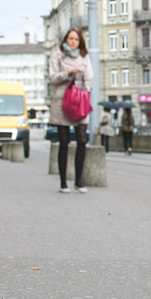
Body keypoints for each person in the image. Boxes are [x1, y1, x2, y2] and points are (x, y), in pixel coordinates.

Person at [48, 28, 93, 193]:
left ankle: (79, 181)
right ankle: (63, 182)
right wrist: (68, 72)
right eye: (70, 38)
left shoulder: (84, 56)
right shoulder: (57, 55)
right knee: (64, 142)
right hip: (62, 102)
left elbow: (90, 77)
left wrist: (85, 91)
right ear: (65, 40)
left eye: (76, 39)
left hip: (79, 102)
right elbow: (52, 78)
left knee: (82, 140)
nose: (73, 41)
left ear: (80, 41)